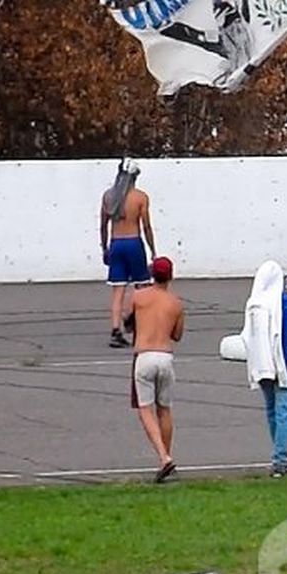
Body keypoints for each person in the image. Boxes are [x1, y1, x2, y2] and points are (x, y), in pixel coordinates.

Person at [242, 260, 287, 478]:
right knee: (285, 412)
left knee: (272, 411)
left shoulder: (254, 304)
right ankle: (281, 459)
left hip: (262, 364)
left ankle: (280, 455)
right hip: (286, 364)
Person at [128, 256, 184, 483]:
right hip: (165, 356)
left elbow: (129, 322)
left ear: (152, 274)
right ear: (170, 277)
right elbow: (177, 335)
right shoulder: (176, 303)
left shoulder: (138, 297)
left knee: (145, 409)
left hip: (144, 356)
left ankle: (163, 457)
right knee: (165, 409)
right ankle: (167, 457)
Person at [100, 158, 156, 349]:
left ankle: (116, 329)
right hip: (133, 243)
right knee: (142, 286)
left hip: (116, 244)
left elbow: (103, 226)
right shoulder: (140, 197)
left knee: (118, 291)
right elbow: (146, 226)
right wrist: (153, 250)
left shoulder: (108, 197)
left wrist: (105, 248)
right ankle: (133, 319)